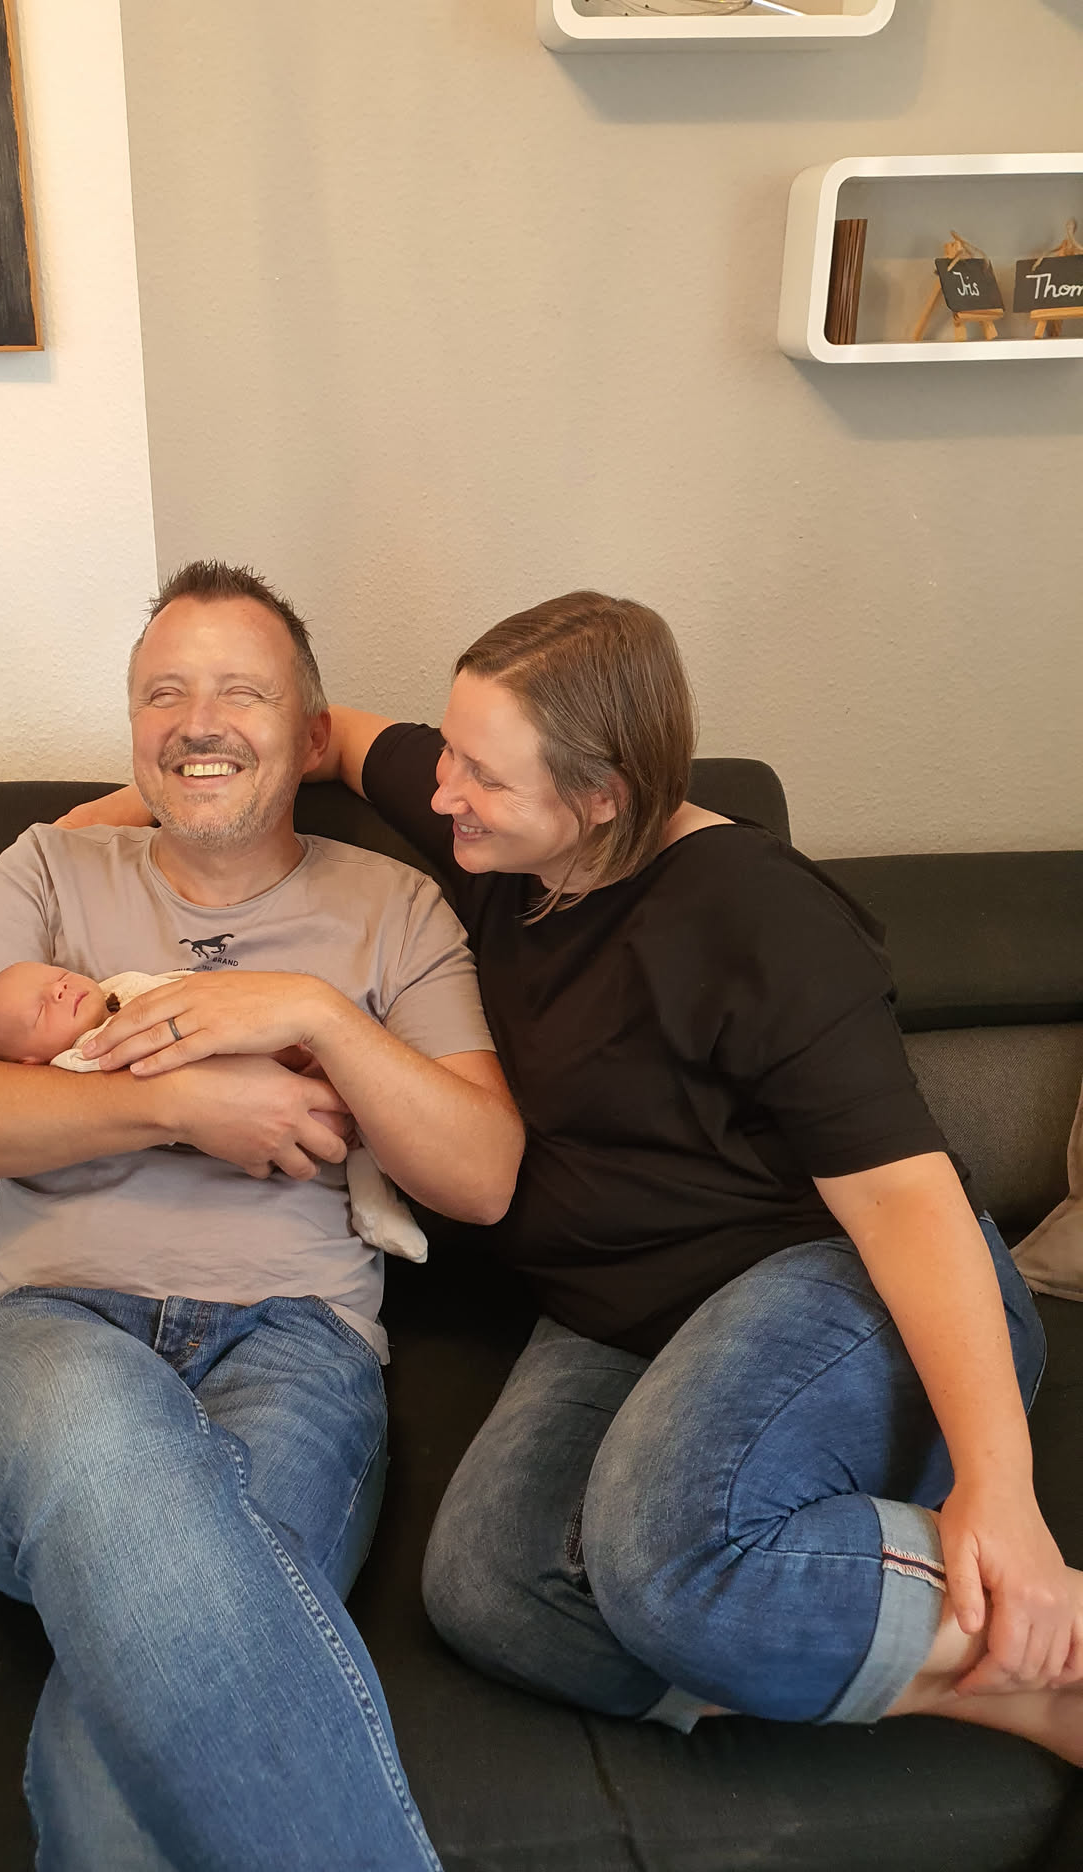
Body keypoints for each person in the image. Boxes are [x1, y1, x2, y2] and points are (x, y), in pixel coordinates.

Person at [63, 587, 1083, 1768]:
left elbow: (909, 1202)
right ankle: (1003, 1691)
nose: (444, 791)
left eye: (483, 778)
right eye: (451, 752)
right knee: (489, 1592)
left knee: (662, 1566)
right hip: (620, 1317)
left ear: (603, 797)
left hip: (839, 1293)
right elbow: (325, 737)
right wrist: (124, 817)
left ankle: (1040, 1616)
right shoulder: (495, 826)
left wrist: (1002, 1491)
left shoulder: (758, 918)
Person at [0, 559, 523, 1872]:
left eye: (241, 692)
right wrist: (181, 1102)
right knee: (109, 1435)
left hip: (294, 1348)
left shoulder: (395, 908)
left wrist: (316, 1015)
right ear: (133, 726)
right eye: (163, 693)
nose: (197, 722)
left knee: (123, 1751)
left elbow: (481, 1175)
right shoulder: (48, 868)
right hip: (47, 1334)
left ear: (309, 735)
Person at [0, 957, 430, 1260]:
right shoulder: (76, 1061)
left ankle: (372, 1174)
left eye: (57, 976)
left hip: (274, 1045)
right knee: (334, 1124)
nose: (59, 990)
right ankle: (372, 1199)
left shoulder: (120, 988)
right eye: (40, 1010)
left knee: (357, 1099)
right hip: (253, 1109)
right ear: (28, 1062)